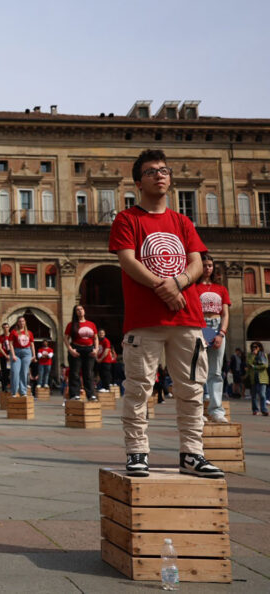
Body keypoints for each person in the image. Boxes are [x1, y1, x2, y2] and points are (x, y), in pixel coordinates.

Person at [109, 148, 222, 478]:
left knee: (192, 389)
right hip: (145, 320)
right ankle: (137, 452)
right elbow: (128, 261)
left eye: (164, 170)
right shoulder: (127, 219)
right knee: (138, 388)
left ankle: (192, 453)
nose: (159, 175)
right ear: (137, 183)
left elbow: (197, 262)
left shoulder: (183, 221)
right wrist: (165, 287)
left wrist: (179, 283)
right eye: (151, 171)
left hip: (187, 319)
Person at [196, 253, 231, 423]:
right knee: (198, 369)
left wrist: (221, 333)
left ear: (213, 267)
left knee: (216, 371)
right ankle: (197, 411)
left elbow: (225, 314)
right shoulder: (193, 288)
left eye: (210, 265)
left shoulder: (221, 289)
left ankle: (216, 410)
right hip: (200, 326)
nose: (207, 268)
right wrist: (200, 332)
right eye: (204, 265)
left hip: (217, 326)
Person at [63, 306, 98, 401]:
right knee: (75, 373)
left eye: (81, 309)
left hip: (89, 350)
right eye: (77, 310)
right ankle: (74, 394)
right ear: (75, 312)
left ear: (84, 311)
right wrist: (70, 350)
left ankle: (91, 395)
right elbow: (65, 338)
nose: (80, 311)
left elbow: (95, 338)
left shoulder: (91, 324)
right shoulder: (71, 325)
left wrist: (96, 349)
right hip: (76, 350)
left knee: (89, 373)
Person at [248, 342, 268, 415]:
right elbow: (249, 363)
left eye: (256, 347)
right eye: (253, 347)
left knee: (262, 394)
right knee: (254, 395)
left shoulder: (263, 355)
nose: (254, 348)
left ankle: (264, 410)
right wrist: (253, 355)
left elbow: (265, 365)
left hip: (262, 377)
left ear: (259, 347)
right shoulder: (250, 355)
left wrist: (255, 367)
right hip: (253, 377)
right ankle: (255, 410)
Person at [0, 322, 12, 393]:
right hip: (3, 356)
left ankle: (11, 385)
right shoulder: (1, 337)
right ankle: (4, 387)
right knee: (4, 371)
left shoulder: (12, 336)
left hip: (11, 356)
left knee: (10, 371)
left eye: (7, 327)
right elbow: (0, 347)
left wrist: (10, 355)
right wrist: (6, 355)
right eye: (4, 328)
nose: (6, 329)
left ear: (9, 328)